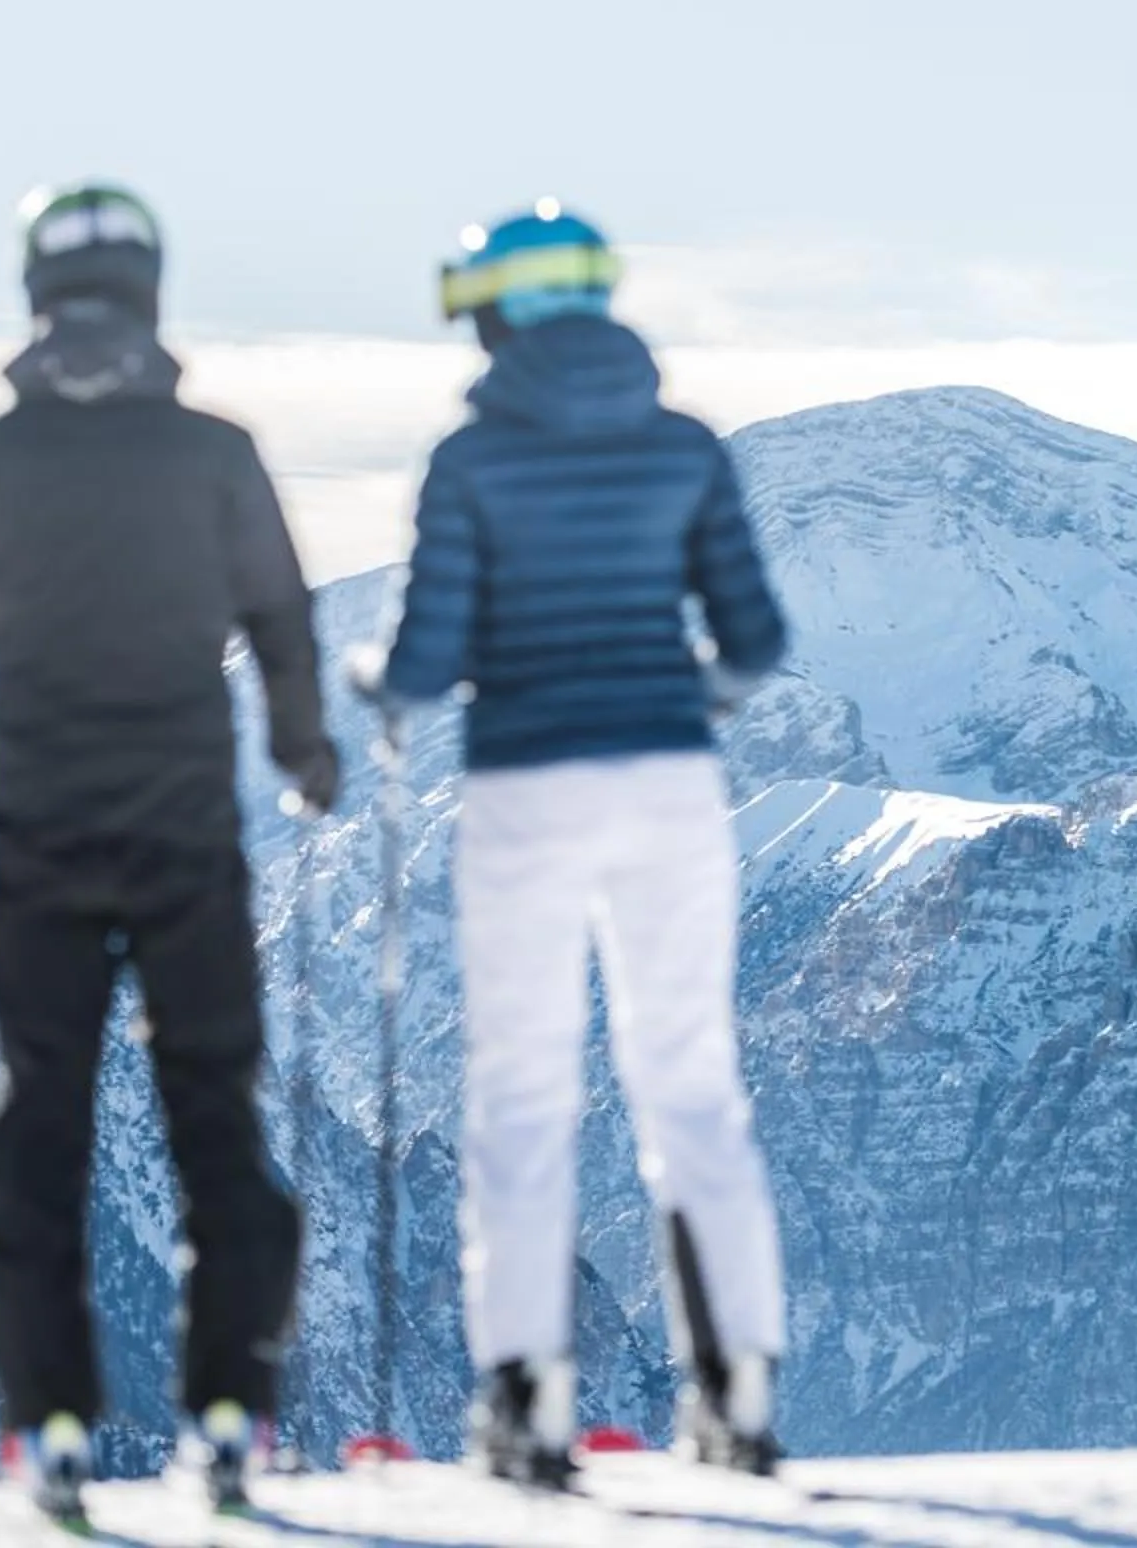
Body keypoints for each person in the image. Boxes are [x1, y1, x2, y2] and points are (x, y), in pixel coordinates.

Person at [0, 182, 338, 1525]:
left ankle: (51, 1423)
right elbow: (285, 622)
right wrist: (308, 758)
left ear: (33, 297)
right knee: (216, 1119)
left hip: (39, 845)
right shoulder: (219, 456)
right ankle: (231, 1409)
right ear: (153, 293)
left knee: (40, 1129)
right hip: (188, 839)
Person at [362, 200, 790, 1487]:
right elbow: (757, 641)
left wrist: (370, 678)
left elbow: (427, 661)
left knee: (523, 1089)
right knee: (690, 1080)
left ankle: (528, 1405)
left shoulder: (469, 459)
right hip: (670, 781)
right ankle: (741, 1391)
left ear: (495, 309)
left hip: (526, 787)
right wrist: (679, 696)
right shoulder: (686, 448)